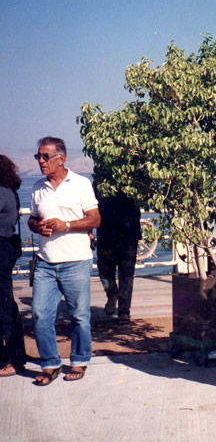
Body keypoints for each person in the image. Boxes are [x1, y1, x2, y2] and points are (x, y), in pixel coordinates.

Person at [28, 137, 100, 386]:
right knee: (40, 314)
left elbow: (95, 219)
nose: (41, 161)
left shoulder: (80, 184)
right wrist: (38, 226)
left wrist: (66, 225)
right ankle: (50, 364)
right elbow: (32, 219)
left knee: (79, 316)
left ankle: (79, 360)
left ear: (61, 158)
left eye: (45, 156)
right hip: (45, 263)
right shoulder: (37, 187)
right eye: (38, 156)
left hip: (76, 261)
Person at [94, 179, 141, 324]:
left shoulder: (134, 178)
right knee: (104, 270)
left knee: (126, 274)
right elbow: (90, 206)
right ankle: (112, 294)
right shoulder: (99, 181)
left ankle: (124, 311)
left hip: (129, 233)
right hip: (105, 233)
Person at [0, 155, 27, 377]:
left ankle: (11, 358)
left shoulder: (2, 192)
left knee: (4, 306)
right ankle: (15, 355)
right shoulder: (10, 191)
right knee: (6, 303)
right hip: (6, 248)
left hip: (1, 249)